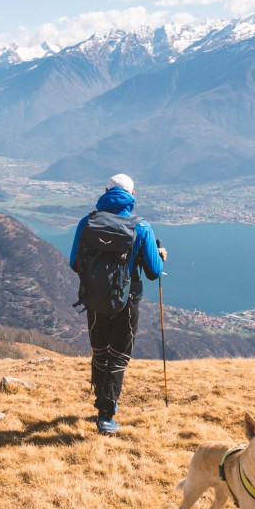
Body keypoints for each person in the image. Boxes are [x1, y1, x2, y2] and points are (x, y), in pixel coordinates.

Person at [68, 173, 166, 434]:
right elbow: (154, 271)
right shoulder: (140, 227)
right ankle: (106, 415)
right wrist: (160, 255)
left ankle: (100, 395)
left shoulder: (87, 222)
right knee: (119, 355)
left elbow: (74, 262)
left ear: (105, 191)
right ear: (132, 196)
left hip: (94, 299)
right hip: (126, 302)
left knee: (100, 349)